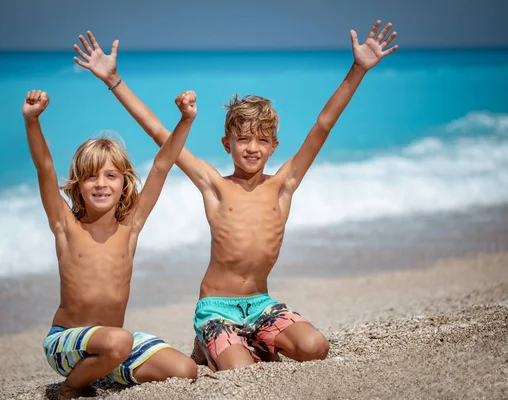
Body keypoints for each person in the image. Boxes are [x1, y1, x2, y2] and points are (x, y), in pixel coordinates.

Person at [73, 19, 398, 371]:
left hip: (261, 305)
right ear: (227, 144)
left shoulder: (283, 185)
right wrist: (113, 80)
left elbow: (323, 124)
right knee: (242, 372)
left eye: (261, 140)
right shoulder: (215, 185)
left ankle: (254, 341)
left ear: (274, 146)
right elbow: (158, 132)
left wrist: (358, 69)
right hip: (216, 307)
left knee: (315, 347)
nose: (252, 148)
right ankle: (211, 342)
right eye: (243, 139)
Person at [22, 87, 199, 399]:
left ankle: (106, 372)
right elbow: (45, 168)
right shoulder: (66, 226)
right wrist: (32, 121)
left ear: (124, 183)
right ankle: (71, 388)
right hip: (66, 343)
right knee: (119, 341)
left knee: (185, 370)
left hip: (114, 347)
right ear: (78, 184)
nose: (101, 184)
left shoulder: (130, 227)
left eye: (110, 176)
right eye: (91, 177)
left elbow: (161, 165)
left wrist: (185, 120)